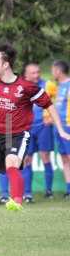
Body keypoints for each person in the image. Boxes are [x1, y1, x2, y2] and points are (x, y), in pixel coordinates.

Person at [0, 44, 70, 213]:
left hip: (18, 135)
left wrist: (60, 129)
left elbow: (49, 106)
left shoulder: (26, 86)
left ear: (6, 64)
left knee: (12, 163)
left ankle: (16, 201)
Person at [0, 63, 57, 204]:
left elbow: (55, 102)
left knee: (45, 157)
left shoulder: (48, 85)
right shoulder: (20, 87)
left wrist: (49, 118)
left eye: (38, 72)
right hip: (26, 128)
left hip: (43, 127)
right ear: (26, 75)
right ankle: (27, 193)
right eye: (33, 73)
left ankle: (48, 191)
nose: (37, 75)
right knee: (27, 159)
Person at [51, 60, 70, 198]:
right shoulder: (58, 87)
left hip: (68, 127)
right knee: (64, 158)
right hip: (58, 127)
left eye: (53, 69)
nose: (52, 72)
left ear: (58, 71)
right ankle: (68, 189)